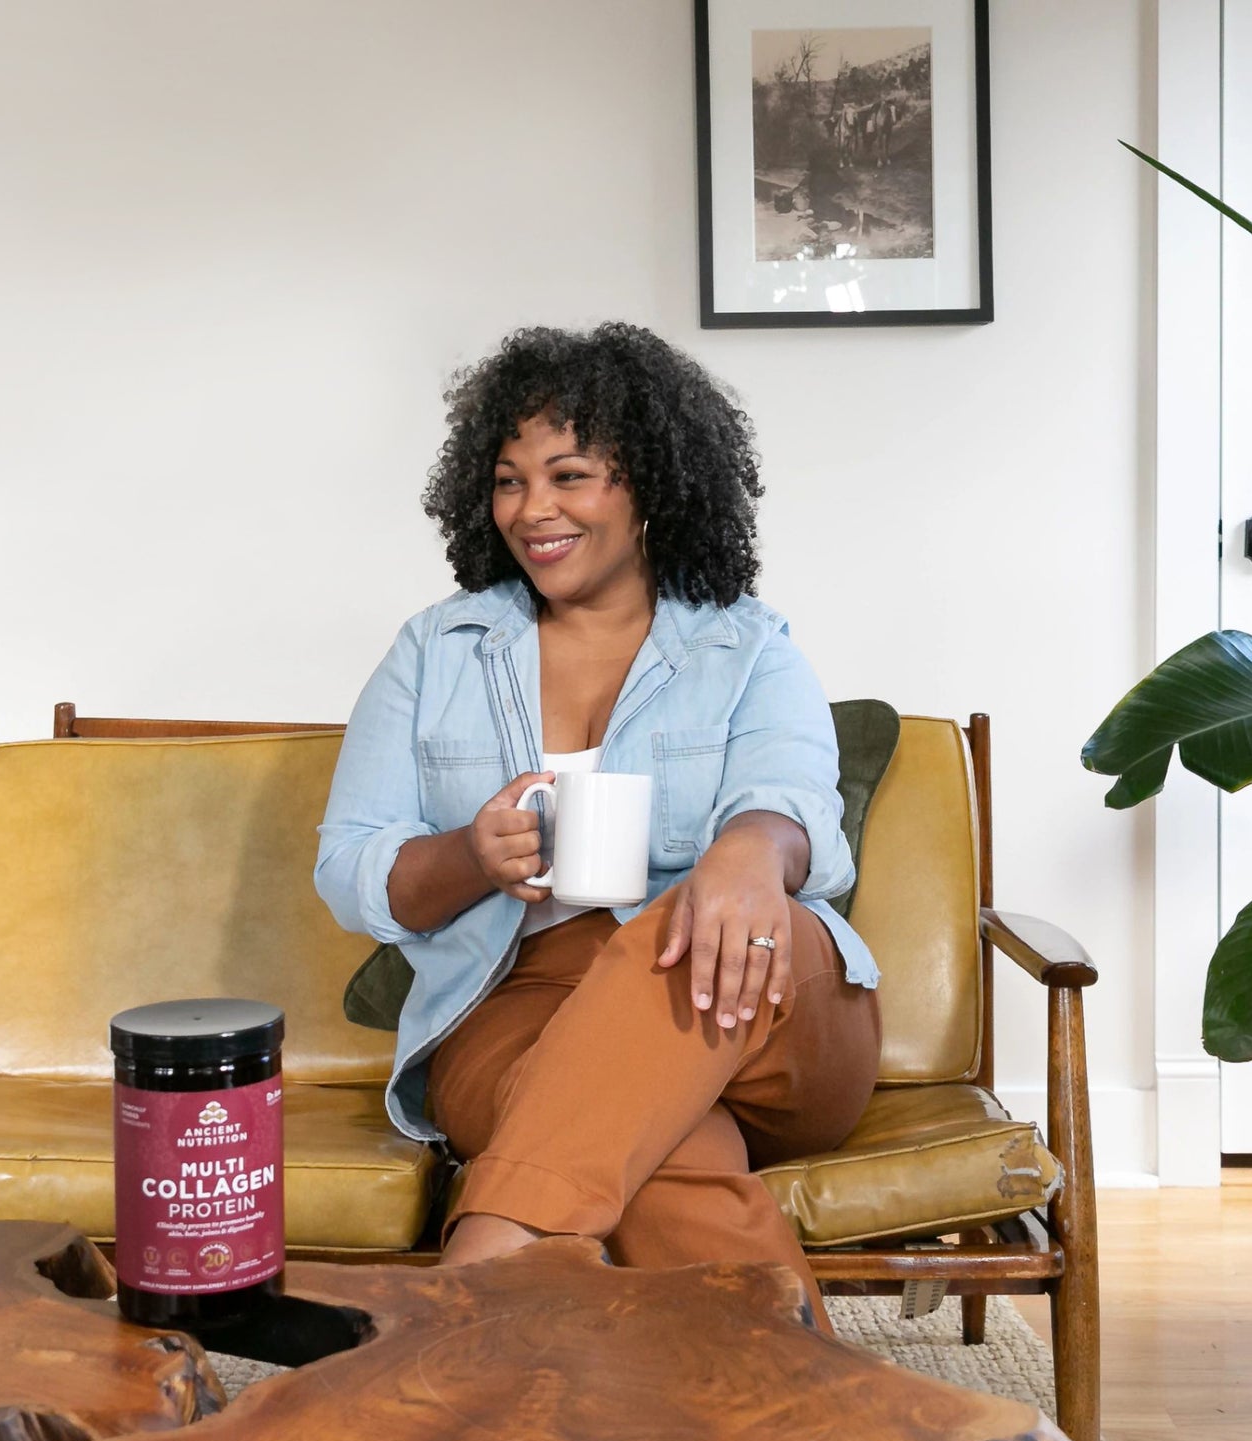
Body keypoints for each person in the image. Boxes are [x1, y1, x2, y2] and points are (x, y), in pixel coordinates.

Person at [315, 322, 881, 1333]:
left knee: (676, 934)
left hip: (752, 982)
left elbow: (792, 791)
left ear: (650, 484)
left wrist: (749, 853)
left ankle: (469, 1286)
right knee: (667, 1152)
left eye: (569, 475)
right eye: (508, 480)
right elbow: (352, 863)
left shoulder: (745, 646)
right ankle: (808, 1406)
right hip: (511, 1007)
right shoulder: (436, 651)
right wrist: (468, 855)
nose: (533, 510)